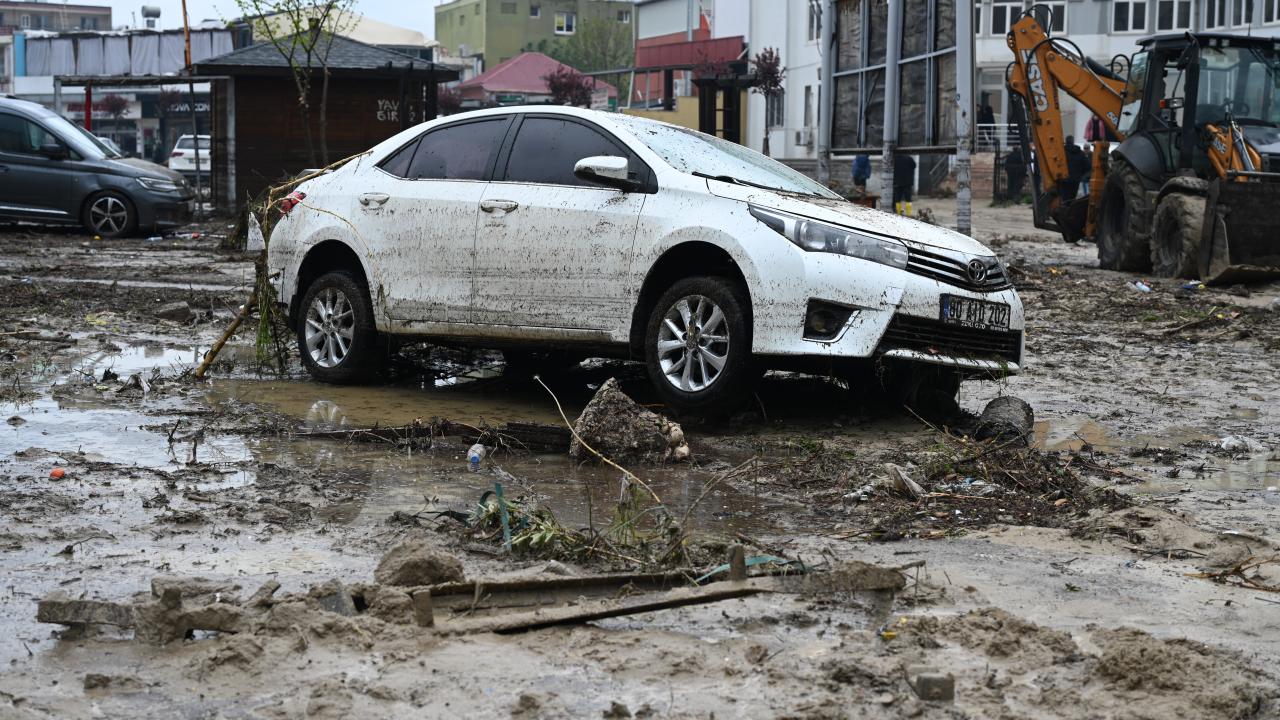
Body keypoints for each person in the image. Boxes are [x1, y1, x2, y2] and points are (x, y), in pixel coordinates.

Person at [1062, 135, 1089, 203]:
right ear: (1073, 141)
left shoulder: (1062, 152)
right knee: (1072, 198)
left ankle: (1065, 208)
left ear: (1066, 141)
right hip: (1076, 179)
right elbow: (1087, 166)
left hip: (1065, 180)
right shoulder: (1080, 153)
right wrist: (1080, 175)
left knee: (1065, 199)